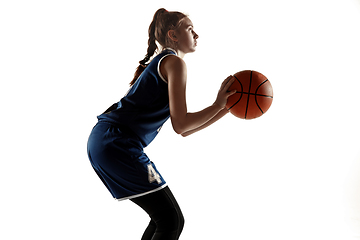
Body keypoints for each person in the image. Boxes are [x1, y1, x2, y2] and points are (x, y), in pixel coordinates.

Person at [87, 8, 236, 240]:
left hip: (106, 141)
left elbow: (184, 130)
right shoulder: (174, 62)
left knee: (163, 218)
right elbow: (181, 123)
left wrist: (225, 108)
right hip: (117, 142)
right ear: (173, 35)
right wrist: (217, 105)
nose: (196, 34)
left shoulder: (166, 62)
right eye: (189, 28)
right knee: (170, 219)